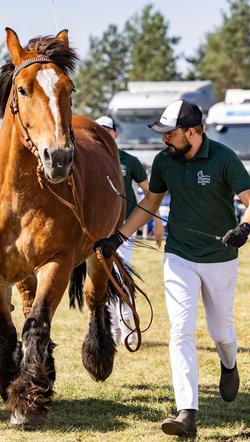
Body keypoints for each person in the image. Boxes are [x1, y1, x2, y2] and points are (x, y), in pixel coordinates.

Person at [94, 100, 250, 438]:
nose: (164, 140)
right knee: (181, 331)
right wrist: (118, 237)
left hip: (220, 259)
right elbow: (149, 204)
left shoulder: (224, 158)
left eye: (169, 133)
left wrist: (243, 230)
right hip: (179, 256)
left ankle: (229, 364)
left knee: (221, 333)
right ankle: (187, 413)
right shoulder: (163, 162)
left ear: (193, 132)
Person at [94, 116, 163, 347]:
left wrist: (159, 222)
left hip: (125, 227)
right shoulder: (88, 160)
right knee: (103, 279)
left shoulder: (129, 161)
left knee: (122, 275)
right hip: (98, 229)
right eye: (99, 129)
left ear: (115, 134)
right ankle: (111, 327)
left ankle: (127, 326)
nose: (103, 133)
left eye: (107, 130)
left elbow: (150, 193)